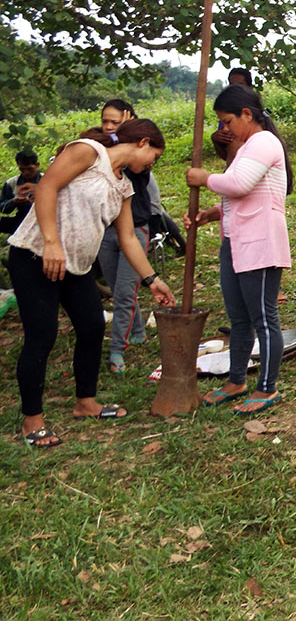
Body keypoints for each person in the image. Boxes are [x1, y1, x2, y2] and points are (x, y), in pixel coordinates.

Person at [8, 119, 175, 448]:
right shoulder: (88, 152)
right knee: (42, 335)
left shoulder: (124, 186)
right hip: (34, 255)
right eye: (153, 157)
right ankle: (33, 420)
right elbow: (46, 188)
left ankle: (86, 403)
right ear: (142, 142)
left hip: (76, 267)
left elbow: (127, 238)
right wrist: (51, 242)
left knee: (91, 326)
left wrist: (152, 279)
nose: (150, 165)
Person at [185, 85, 292, 415]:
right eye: (220, 123)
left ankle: (267, 388)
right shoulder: (246, 147)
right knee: (239, 318)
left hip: (260, 243)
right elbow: (241, 194)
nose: (224, 129)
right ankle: (236, 380)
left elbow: (240, 185)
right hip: (235, 242)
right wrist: (213, 213)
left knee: (263, 317)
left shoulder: (263, 142)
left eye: (227, 121)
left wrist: (204, 178)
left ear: (247, 114)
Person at [95, 99, 155, 372]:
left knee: (123, 293)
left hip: (135, 231)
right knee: (121, 287)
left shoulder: (140, 159)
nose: (108, 127)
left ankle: (117, 350)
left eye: (115, 123)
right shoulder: (97, 153)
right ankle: (139, 332)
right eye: (105, 121)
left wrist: (126, 131)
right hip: (105, 232)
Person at [211, 67, 255, 163]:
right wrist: (215, 139)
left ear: (250, 88)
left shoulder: (257, 116)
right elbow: (228, 157)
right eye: (231, 85)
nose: (235, 89)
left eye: (240, 85)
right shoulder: (227, 117)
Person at [1, 149, 43, 234]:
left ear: (37, 165)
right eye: (22, 169)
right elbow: (2, 207)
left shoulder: (47, 180)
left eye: (29, 169)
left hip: (43, 221)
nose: (26, 172)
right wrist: (13, 202)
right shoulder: (12, 183)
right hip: (21, 220)